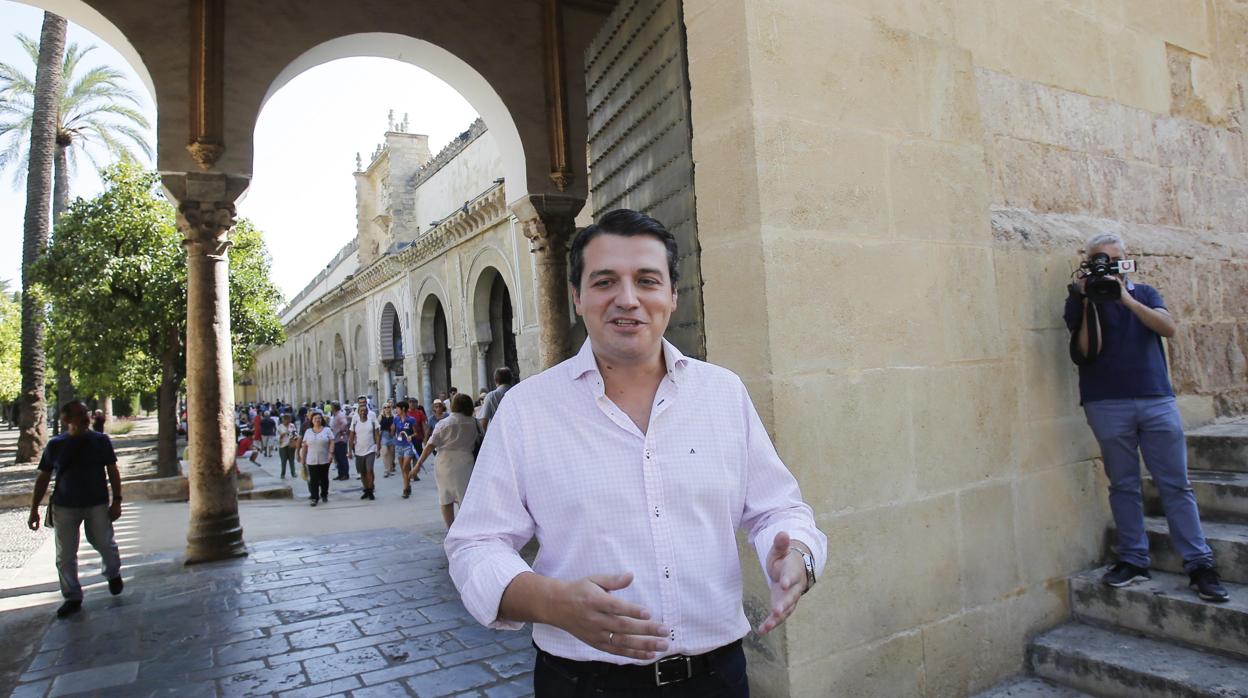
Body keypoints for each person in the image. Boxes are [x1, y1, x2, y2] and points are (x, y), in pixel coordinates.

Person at [445, 209, 826, 696]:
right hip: (583, 683)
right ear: (577, 297)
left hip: (717, 679)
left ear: (672, 295)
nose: (628, 299)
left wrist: (795, 554)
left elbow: (778, 508)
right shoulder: (527, 410)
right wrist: (550, 602)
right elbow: (475, 543)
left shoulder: (722, 393)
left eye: (647, 280)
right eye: (605, 281)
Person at [1065, 232, 1229, 602]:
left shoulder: (1146, 293)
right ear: (1090, 263)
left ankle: (1200, 564)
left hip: (1156, 400)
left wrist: (1124, 298)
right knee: (1123, 485)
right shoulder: (1079, 300)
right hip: (1106, 403)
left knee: (1175, 485)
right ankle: (1134, 559)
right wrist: (1089, 300)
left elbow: (1168, 328)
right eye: (1100, 260)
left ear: (1126, 261)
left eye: (1114, 258)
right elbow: (1084, 352)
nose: (1108, 266)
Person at [27, 402, 124, 619]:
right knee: (65, 554)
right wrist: (34, 508)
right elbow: (43, 476)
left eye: (85, 413)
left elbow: (112, 470)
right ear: (66, 420)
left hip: (96, 503)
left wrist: (117, 500)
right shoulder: (56, 445)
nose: (84, 417)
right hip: (65, 506)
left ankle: (113, 572)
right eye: (79, 414)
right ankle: (72, 596)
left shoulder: (100, 441)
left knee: (104, 543)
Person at [414, 393, 480, 529]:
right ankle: (466, 527)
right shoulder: (474, 422)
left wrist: (417, 465)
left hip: (445, 464)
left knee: (445, 498)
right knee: (465, 497)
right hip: (466, 463)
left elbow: (429, 446)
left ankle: (451, 529)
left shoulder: (444, 424)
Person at [299, 411, 333, 506]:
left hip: (324, 458)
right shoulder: (308, 431)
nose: (317, 420)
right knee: (313, 479)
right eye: (315, 419)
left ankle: (324, 494)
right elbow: (305, 445)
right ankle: (314, 497)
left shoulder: (327, 430)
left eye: (319, 418)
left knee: (324, 478)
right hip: (311, 459)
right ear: (312, 421)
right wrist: (302, 457)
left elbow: (332, 441)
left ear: (321, 419)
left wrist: (331, 453)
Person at [349, 403, 381, 501]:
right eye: (361, 411)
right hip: (358, 450)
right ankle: (366, 489)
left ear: (367, 412)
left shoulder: (372, 420)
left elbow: (377, 435)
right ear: (358, 412)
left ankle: (370, 490)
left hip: (370, 449)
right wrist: (349, 450)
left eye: (365, 411)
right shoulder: (355, 421)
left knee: (369, 470)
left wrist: (378, 448)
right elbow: (351, 437)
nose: (363, 413)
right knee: (362, 472)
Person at [393, 401, 422, 498]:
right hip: (399, 445)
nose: (396, 410)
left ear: (403, 409)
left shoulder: (411, 420)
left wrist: (411, 436)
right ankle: (407, 485)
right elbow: (393, 431)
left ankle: (405, 489)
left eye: (397, 408)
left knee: (406, 466)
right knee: (403, 469)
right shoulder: (396, 419)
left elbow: (416, 432)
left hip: (408, 446)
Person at [479, 366, 514, 434]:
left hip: (498, 434)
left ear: (496, 380)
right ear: (511, 380)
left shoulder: (491, 396)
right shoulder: (516, 393)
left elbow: (484, 422)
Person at [329, 402, 350, 481]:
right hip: (335, 439)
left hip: (340, 439)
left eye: (332, 407)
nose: (331, 408)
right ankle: (340, 473)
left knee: (342, 457)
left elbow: (344, 424)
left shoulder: (340, 415)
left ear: (334, 407)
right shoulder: (334, 415)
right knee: (337, 458)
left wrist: (341, 431)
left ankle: (345, 474)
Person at [277, 414, 299, 478]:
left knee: (292, 460)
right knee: (283, 461)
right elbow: (277, 436)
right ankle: (282, 474)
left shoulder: (292, 425)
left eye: (289, 419)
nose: (288, 421)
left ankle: (293, 473)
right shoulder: (280, 427)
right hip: (283, 446)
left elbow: (295, 434)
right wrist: (281, 435)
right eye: (286, 419)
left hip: (291, 445)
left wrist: (294, 438)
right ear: (283, 420)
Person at [378, 402, 396, 478]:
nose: (387, 409)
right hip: (384, 435)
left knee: (391, 454)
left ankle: (390, 468)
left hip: (392, 436)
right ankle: (386, 470)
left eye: (388, 407)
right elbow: (378, 427)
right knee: (385, 453)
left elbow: (396, 426)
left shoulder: (394, 417)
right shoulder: (381, 416)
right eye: (385, 407)